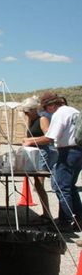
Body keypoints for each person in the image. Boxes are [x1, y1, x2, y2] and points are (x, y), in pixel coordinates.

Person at [22, 92, 81, 232]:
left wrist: (30, 141)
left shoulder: (60, 113)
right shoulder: (73, 110)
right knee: (71, 186)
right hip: (78, 150)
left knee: (61, 187)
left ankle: (65, 222)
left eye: (46, 107)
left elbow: (50, 137)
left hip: (68, 152)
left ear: (52, 105)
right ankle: (79, 218)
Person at [20, 95, 57, 219]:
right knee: (37, 183)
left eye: (26, 111)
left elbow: (48, 138)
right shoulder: (31, 120)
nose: (25, 114)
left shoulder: (42, 119)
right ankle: (46, 212)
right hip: (34, 153)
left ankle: (47, 213)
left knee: (39, 184)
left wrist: (30, 140)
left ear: (33, 109)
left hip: (43, 152)